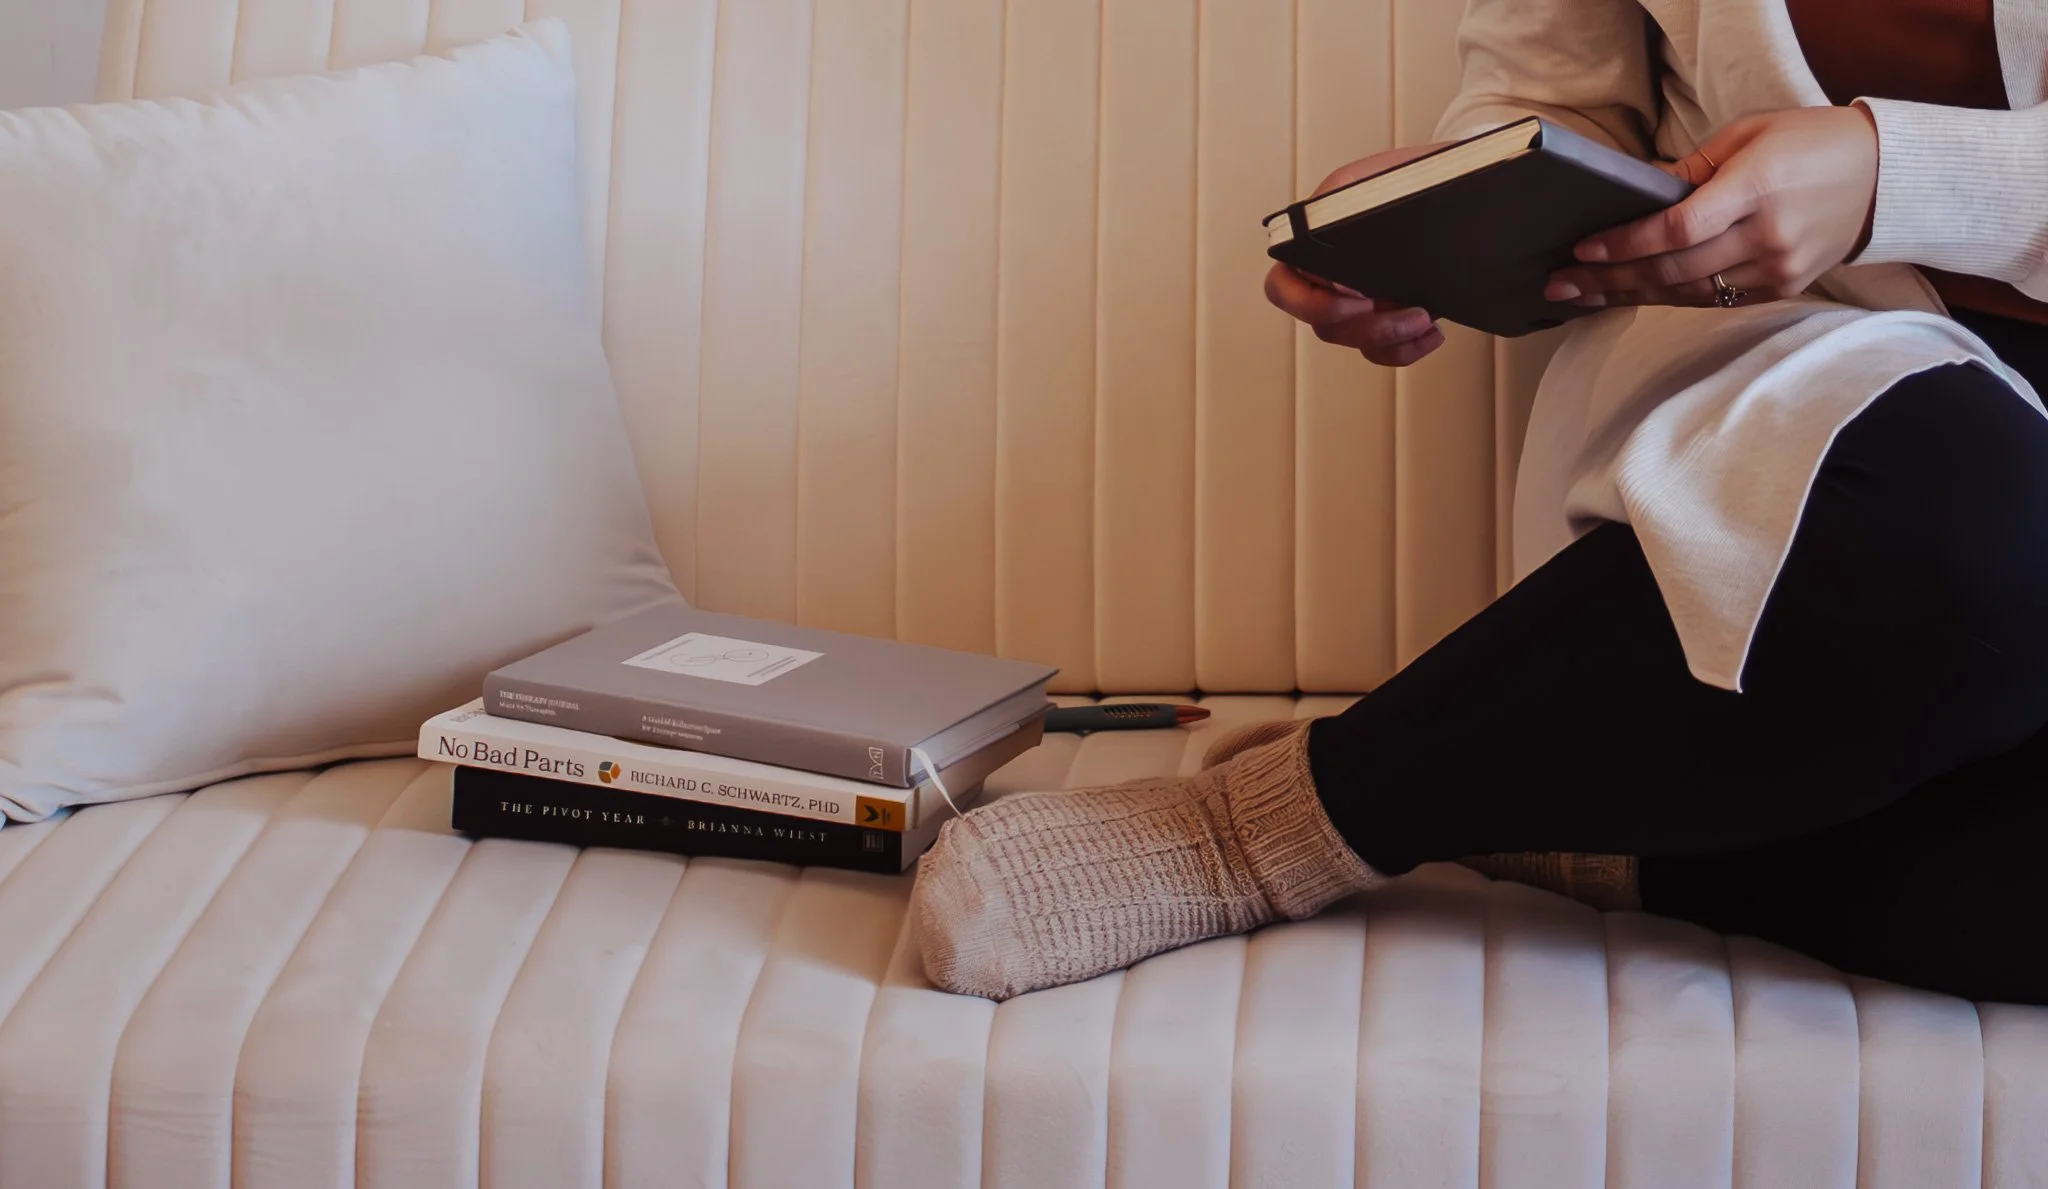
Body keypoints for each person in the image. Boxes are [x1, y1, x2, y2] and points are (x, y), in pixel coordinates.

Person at [909, 0, 2048, 1004]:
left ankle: (1554, 812)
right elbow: (1553, 102)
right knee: (1985, 530)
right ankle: (1274, 825)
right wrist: (1454, 210)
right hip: (1838, 424)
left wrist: (1891, 174)